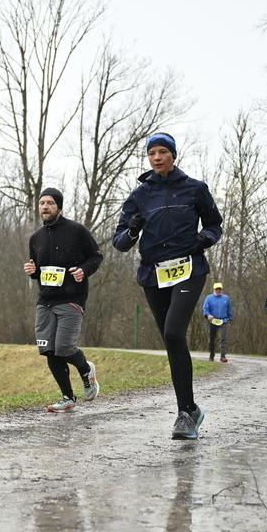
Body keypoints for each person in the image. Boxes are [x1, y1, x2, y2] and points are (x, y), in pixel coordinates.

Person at [113, 132, 223, 440]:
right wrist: (132, 231)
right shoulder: (139, 195)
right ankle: (190, 409)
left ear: (173, 155)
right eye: (152, 153)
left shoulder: (195, 189)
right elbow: (119, 242)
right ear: (148, 158)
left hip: (189, 268)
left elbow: (215, 224)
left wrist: (207, 238)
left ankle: (184, 414)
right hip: (155, 274)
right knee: (171, 340)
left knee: (175, 331)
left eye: (163, 152)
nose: (157, 157)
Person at [23, 188, 103, 412]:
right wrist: (32, 271)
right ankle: (68, 397)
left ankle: (86, 369)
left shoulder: (77, 231)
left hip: (71, 297)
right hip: (45, 300)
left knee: (65, 348)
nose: (45, 207)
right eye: (41, 203)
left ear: (59, 206)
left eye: (49, 203)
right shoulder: (36, 237)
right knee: (48, 349)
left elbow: (97, 256)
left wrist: (84, 271)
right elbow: (38, 270)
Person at [202, 282, 234, 362]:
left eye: (219, 289)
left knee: (223, 339)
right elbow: (205, 309)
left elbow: (229, 309)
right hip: (213, 321)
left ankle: (223, 356)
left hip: (223, 321)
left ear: (222, 289)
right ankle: (211, 355)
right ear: (214, 289)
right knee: (212, 339)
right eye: (217, 289)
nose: (218, 290)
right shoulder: (209, 298)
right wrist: (207, 315)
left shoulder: (226, 298)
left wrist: (230, 319)